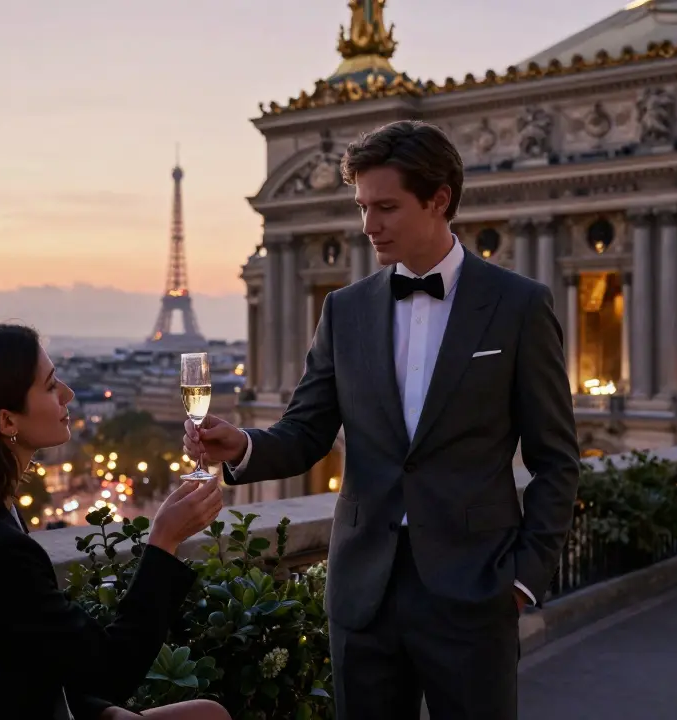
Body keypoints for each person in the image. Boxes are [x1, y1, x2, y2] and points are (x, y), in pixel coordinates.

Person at [184, 121, 579, 720]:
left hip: (474, 592)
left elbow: (557, 459)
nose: (370, 225)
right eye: (364, 206)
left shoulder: (518, 305)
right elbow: (304, 432)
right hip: (363, 594)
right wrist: (239, 445)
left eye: (387, 207)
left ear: (439, 199)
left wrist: (525, 578)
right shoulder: (344, 311)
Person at [0, 324, 229, 720]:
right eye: (49, 386)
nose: (68, 393)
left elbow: (19, 660)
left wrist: (98, 712)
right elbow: (108, 669)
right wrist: (164, 541)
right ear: (7, 421)